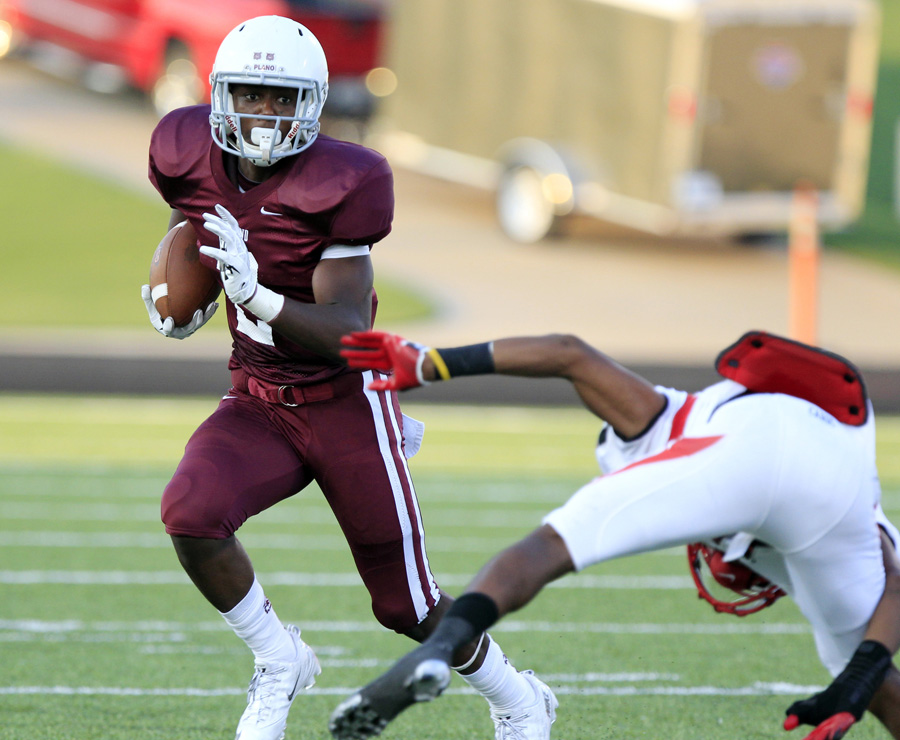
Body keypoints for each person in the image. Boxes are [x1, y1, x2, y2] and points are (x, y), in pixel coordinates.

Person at [140, 15, 556, 740]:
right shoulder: (183, 148)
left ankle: (517, 696)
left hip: (345, 403)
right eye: (249, 95)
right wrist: (179, 293)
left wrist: (258, 294)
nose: (263, 115)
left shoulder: (345, 180)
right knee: (190, 512)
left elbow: (346, 334)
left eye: (280, 98)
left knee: (408, 606)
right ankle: (280, 660)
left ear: (314, 103)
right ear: (219, 96)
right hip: (258, 397)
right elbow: (191, 222)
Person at [330, 329, 900, 740]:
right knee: (856, 658)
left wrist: (433, 365)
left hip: (740, 460)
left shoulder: (673, 425)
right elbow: (568, 353)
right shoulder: (690, 409)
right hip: (836, 488)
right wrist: (430, 362)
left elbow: (567, 356)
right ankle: (862, 676)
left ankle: (439, 646)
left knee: (550, 546)